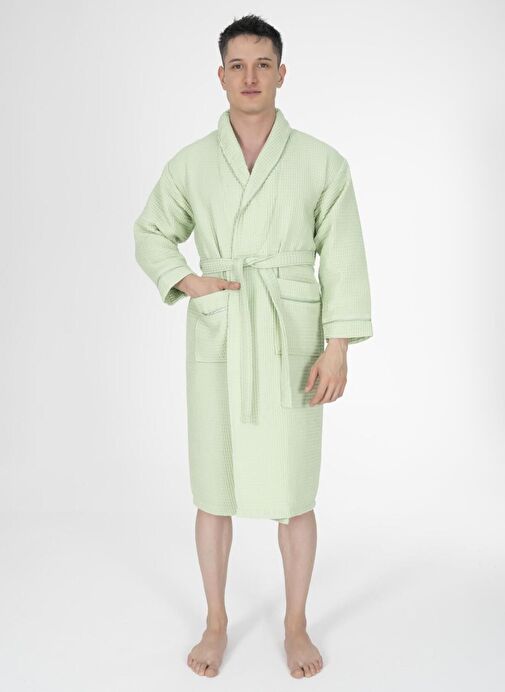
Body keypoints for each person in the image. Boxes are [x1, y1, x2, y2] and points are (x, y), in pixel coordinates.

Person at [133, 13, 373, 679]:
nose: (249, 77)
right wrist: (187, 280)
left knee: (294, 492)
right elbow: (151, 231)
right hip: (222, 330)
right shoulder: (191, 163)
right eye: (237, 66)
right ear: (220, 76)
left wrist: (337, 346)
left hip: (290, 337)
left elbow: (344, 256)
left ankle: (295, 623)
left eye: (262, 65)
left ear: (281, 73)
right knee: (213, 488)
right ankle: (215, 620)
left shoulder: (322, 162)